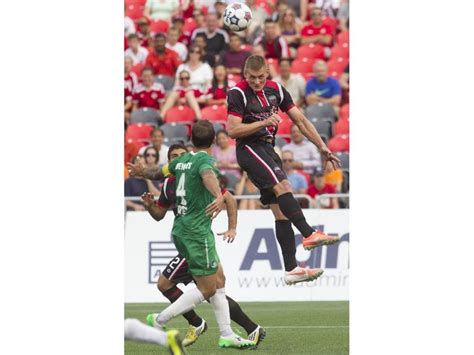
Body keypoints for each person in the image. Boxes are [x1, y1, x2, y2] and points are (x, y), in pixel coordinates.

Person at [127, 121, 255, 349]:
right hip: (196, 232)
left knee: (218, 280)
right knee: (207, 289)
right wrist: (217, 195)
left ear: (191, 140)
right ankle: (159, 319)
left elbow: (158, 172)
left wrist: (141, 172)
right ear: (214, 141)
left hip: (183, 229)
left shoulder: (180, 162)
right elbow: (207, 174)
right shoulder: (205, 161)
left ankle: (227, 333)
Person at [226, 54, 340, 284]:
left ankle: (291, 269)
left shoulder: (276, 89)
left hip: (268, 150)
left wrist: (322, 146)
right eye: (252, 77)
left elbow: (301, 120)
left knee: (279, 210)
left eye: (260, 77)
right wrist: (263, 123)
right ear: (245, 75)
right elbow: (233, 130)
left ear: (267, 73)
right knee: (284, 186)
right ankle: (309, 234)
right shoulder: (237, 93)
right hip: (249, 149)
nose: (257, 82)